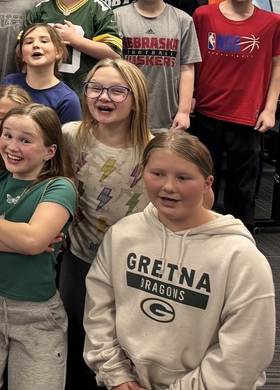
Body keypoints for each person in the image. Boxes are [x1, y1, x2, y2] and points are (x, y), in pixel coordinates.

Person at [84, 131, 275, 390]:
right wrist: (117, 376)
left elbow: (245, 353)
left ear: (208, 183)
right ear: (142, 172)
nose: (168, 187)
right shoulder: (122, 235)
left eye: (183, 177)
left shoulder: (240, 258)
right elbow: (99, 311)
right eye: (158, 174)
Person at [0, 103, 77, 390]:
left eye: (25, 139)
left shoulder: (59, 187)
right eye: (7, 135)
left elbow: (33, 240)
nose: (12, 146)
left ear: (50, 151)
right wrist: (22, 241)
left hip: (37, 317)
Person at [60, 59, 153, 389]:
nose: (104, 97)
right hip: (79, 257)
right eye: (95, 88)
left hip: (132, 266)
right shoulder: (71, 136)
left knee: (125, 344)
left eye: (117, 90)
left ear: (136, 98)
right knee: (74, 337)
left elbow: (199, 204)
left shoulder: (152, 150)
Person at [190, 0, 280, 230]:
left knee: (243, 182)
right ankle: (199, 228)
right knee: (203, 175)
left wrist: (270, 108)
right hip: (206, 111)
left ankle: (240, 235)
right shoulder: (202, 15)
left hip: (247, 114)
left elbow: (277, 65)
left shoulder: (272, 22)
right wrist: (190, 96)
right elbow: (191, 61)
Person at [23, 0, 122, 96]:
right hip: (41, 93)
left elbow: (114, 54)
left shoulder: (99, 9)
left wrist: (74, 40)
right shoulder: (41, 9)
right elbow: (19, 49)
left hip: (84, 94)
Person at [116, 0, 201, 131]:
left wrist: (184, 112)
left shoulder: (183, 20)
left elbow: (187, 68)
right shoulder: (117, 17)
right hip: (124, 116)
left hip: (167, 117)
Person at [1, 23, 82, 124]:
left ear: (58, 52)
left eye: (44, 41)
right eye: (29, 42)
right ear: (22, 55)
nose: (35, 45)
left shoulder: (68, 100)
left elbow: (68, 139)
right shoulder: (10, 82)